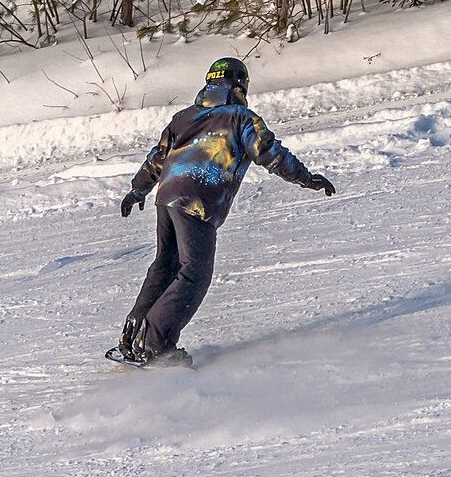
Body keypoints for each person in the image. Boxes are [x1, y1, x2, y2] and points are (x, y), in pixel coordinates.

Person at [115, 57, 336, 367]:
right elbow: (270, 153)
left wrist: (138, 189)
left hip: (166, 199)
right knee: (194, 272)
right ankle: (156, 345)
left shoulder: (184, 117)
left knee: (165, 266)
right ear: (240, 85)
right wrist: (306, 178)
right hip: (198, 202)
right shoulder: (240, 117)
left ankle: (133, 335)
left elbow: (157, 157)